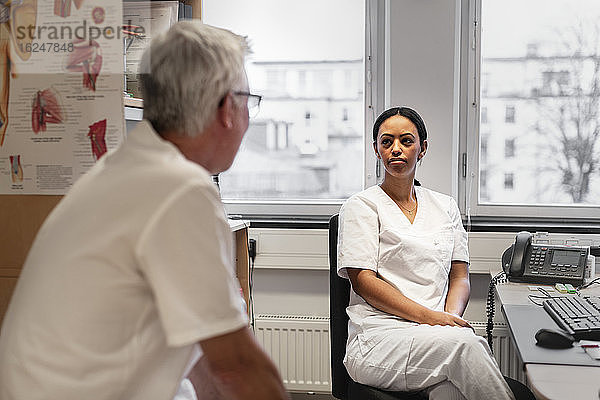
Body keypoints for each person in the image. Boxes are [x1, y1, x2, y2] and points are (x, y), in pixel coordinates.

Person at [0, 21, 288, 400]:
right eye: (249, 100)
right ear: (226, 109)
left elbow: (204, 353)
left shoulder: (129, 168)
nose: (250, 116)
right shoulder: (179, 187)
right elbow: (236, 367)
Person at [337, 106, 515, 400]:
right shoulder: (361, 206)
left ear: (422, 149)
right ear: (376, 149)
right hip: (379, 339)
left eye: (406, 141)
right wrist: (432, 319)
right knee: (466, 347)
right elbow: (364, 282)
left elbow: (460, 276)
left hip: (437, 336)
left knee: (451, 390)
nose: (396, 149)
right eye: (386, 141)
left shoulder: (445, 206)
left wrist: (448, 319)